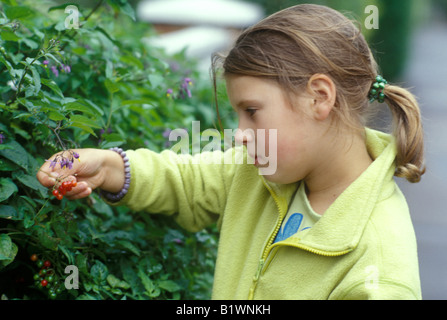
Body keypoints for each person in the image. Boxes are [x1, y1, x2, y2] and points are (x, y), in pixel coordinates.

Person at [37, 4, 425, 299]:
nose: (240, 136)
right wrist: (106, 166)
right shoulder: (262, 171)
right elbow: (187, 181)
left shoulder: (379, 265)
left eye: (252, 112)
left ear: (319, 97)